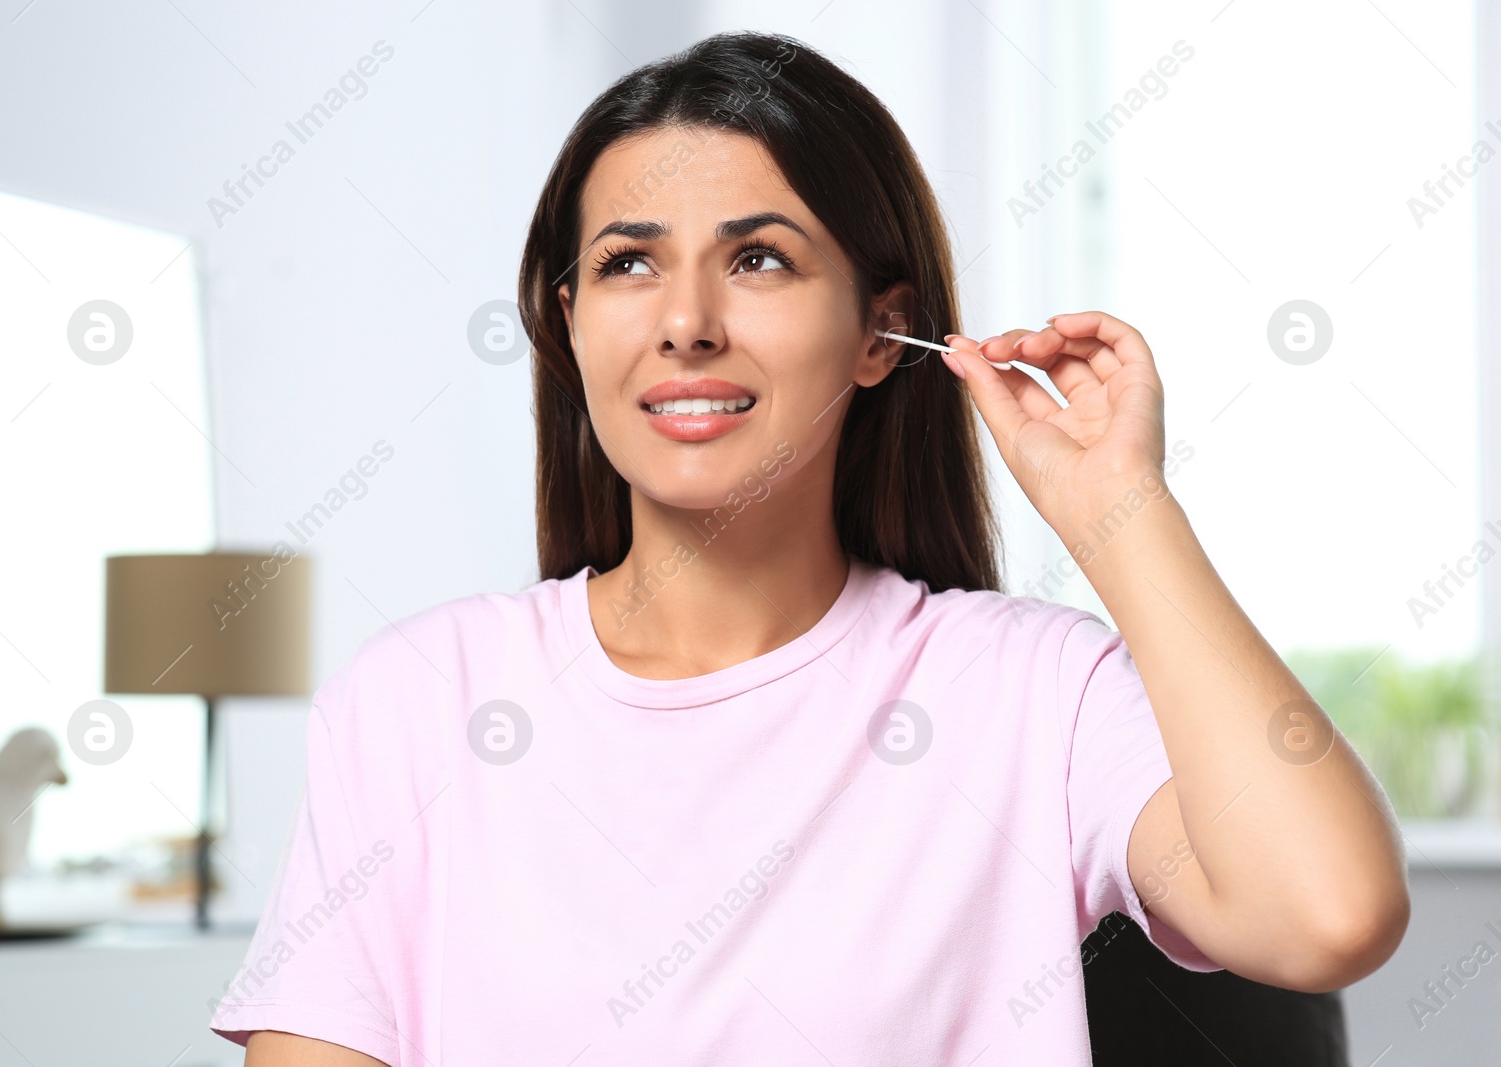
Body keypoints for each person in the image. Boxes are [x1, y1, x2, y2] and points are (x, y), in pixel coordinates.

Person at [211, 29, 1409, 1065]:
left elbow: (1327, 913)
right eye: (628, 263)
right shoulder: (418, 701)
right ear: (568, 320)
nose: (684, 323)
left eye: (759, 259)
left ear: (880, 331)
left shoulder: (1030, 692)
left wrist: (1119, 511)